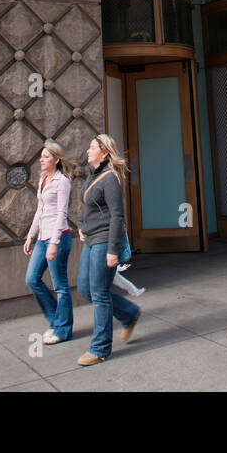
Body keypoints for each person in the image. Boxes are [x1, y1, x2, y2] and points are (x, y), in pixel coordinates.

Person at [75, 134, 140, 366]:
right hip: (91, 239)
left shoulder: (110, 178)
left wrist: (112, 250)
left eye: (93, 147)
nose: (88, 151)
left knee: (100, 292)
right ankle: (128, 313)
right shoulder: (94, 176)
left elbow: (117, 215)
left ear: (104, 153)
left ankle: (100, 348)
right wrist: (81, 226)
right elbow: (88, 209)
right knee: (85, 288)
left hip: (104, 241)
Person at [24, 141, 74, 344]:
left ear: (56, 160)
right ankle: (55, 320)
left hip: (58, 237)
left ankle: (63, 330)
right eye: (41, 156)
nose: (41, 160)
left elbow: (62, 213)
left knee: (60, 285)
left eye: (45, 157)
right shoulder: (43, 178)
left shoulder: (62, 182)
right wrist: (30, 235)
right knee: (32, 279)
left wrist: (54, 243)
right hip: (42, 237)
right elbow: (40, 210)